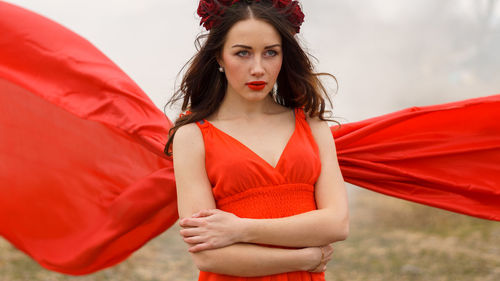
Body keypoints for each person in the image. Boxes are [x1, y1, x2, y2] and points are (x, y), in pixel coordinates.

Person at [164, 0, 349, 279]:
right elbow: (209, 255)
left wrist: (241, 229)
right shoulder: (192, 136)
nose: (259, 69)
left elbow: (337, 224)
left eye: (271, 53)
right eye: (243, 53)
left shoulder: (312, 125)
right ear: (218, 57)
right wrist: (306, 257)